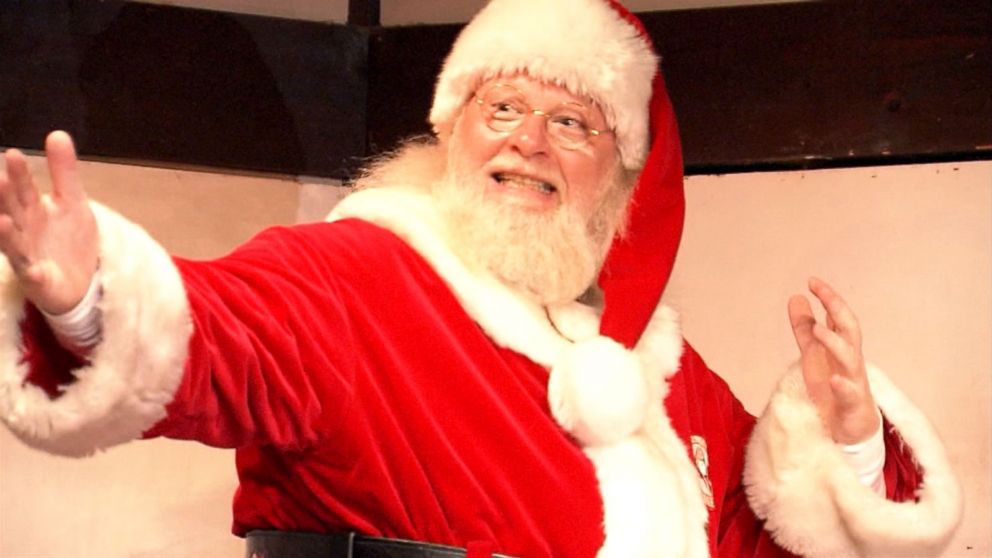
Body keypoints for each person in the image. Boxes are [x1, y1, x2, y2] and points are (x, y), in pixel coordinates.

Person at [0, 0, 963, 556]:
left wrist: (850, 450)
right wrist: (88, 300)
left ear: (618, 182)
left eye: (575, 123)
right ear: (453, 128)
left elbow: (774, 542)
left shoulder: (662, 381)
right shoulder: (361, 277)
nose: (528, 142)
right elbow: (223, 337)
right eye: (502, 105)